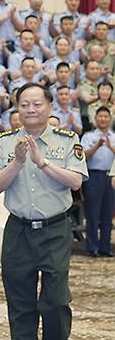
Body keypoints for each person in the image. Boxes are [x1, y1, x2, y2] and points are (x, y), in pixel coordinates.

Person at [0, 82, 88, 339]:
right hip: (18, 230)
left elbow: (76, 181)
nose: (30, 109)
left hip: (54, 229)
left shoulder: (67, 140)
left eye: (37, 104)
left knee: (55, 300)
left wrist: (42, 163)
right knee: (19, 300)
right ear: (17, 108)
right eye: (24, 105)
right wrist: (18, 162)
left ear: (49, 106)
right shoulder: (5, 142)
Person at [80, 106, 115, 257]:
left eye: (106, 117)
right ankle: (92, 246)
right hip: (93, 176)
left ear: (110, 119)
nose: (103, 119)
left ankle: (105, 247)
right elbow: (83, 156)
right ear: (95, 119)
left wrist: (110, 146)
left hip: (112, 177)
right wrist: (97, 146)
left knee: (108, 213)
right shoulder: (88, 136)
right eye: (100, 116)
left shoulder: (114, 136)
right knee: (93, 213)